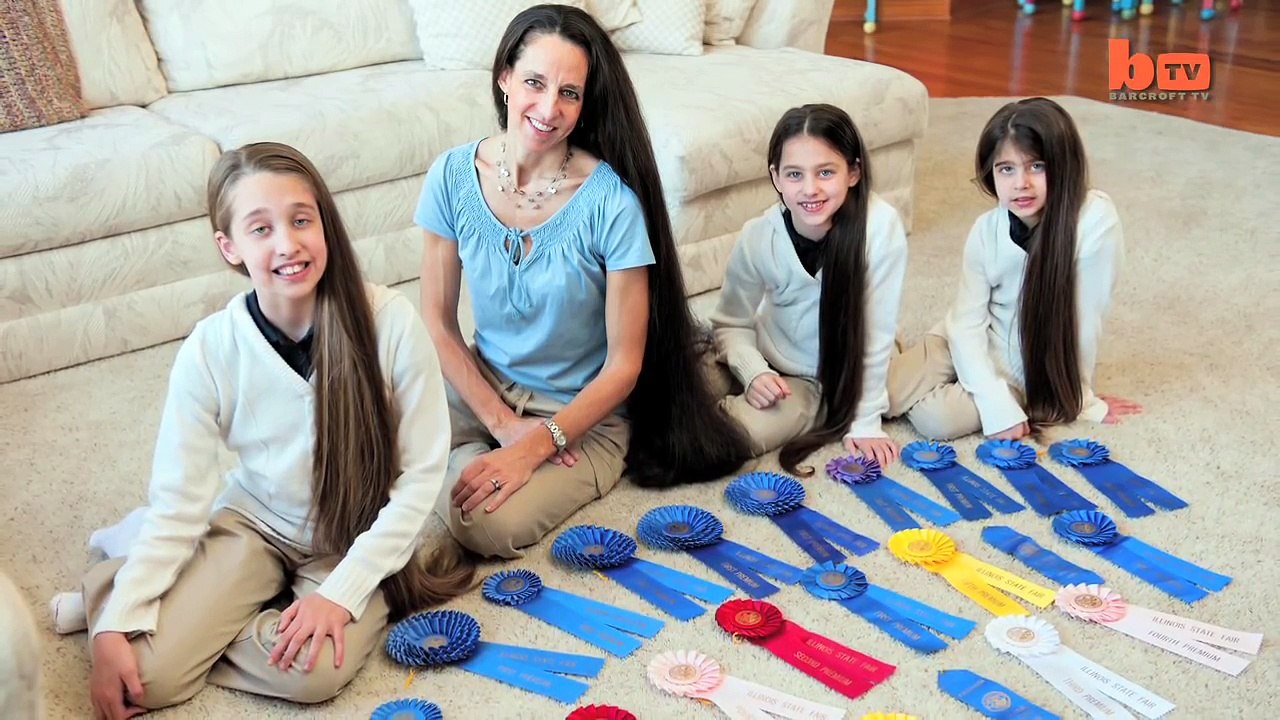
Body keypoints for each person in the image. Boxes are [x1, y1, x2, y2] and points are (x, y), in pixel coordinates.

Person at [77, 142, 471, 720]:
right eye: (260, 229)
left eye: (301, 220)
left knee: (316, 674)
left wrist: (341, 594)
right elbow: (180, 500)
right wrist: (116, 624)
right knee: (151, 679)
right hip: (255, 521)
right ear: (229, 247)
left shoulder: (390, 323)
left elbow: (420, 478)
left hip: (351, 536)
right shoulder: (209, 348)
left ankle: (195, 613)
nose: (287, 244)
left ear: (325, 224)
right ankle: (122, 585)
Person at [416, 4, 751, 559]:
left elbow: (623, 366)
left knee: (482, 523)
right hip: (483, 386)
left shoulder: (611, 203)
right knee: (360, 444)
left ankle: (456, 464)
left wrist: (536, 445)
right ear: (504, 78)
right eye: (534, 82)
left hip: (580, 418)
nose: (548, 108)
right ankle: (464, 455)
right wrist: (502, 426)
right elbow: (437, 322)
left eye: (569, 93)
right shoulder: (451, 176)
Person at [887, 97, 1141, 440]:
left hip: (1021, 372)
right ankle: (892, 348)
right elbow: (966, 323)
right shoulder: (985, 230)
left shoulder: (1095, 220)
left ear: (1063, 163)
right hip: (959, 341)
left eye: (1036, 166)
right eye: (1006, 169)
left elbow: (1084, 319)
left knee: (937, 420)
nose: (1021, 183)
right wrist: (988, 394)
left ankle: (948, 379)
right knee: (878, 396)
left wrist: (1080, 398)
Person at [711, 104, 908, 474]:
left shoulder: (881, 227)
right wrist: (754, 372)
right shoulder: (759, 236)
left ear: (853, 172)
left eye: (826, 172)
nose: (810, 189)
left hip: (841, 374)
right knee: (684, 402)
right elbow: (730, 322)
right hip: (780, 361)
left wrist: (865, 419)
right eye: (794, 174)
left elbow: (877, 333)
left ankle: (939, 350)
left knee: (725, 440)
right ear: (776, 177)